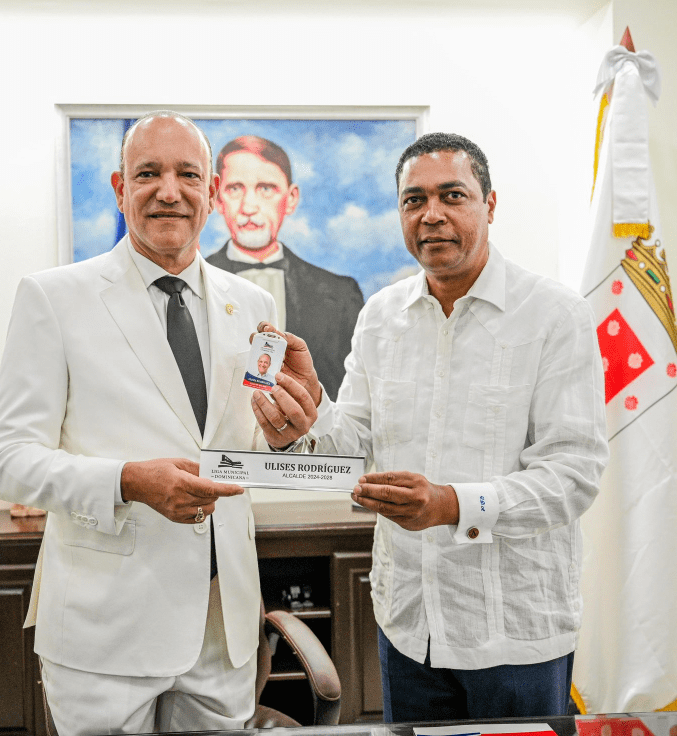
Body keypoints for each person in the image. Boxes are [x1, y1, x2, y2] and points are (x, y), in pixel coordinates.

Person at [251, 133, 609, 721]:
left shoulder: (554, 315)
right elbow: (350, 446)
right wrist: (306, 414)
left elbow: (573, 476)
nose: (432, 214)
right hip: (407, 628)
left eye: (452, 195)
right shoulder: (380, 316)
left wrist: (450, 504)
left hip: (513, 634)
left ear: (490, 205)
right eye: (413, 200)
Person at [0, 112, 285, 734]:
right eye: (148, 173)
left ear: (211, 192)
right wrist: (126, 481)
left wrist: (285, 437)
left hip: (222, 627)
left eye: (188, 175)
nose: (169, 191)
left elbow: (254, 444)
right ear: (120, 188)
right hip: (105, 632)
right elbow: (6, 460)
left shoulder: (254, 304)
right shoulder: (53, 297)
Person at [205, 135, 364, 401]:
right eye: (235, 189)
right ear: (218, 198)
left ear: (291, 199)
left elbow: (353, 401)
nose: (248, 207)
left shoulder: (341, 295)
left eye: (266, 188)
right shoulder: (188, 286)